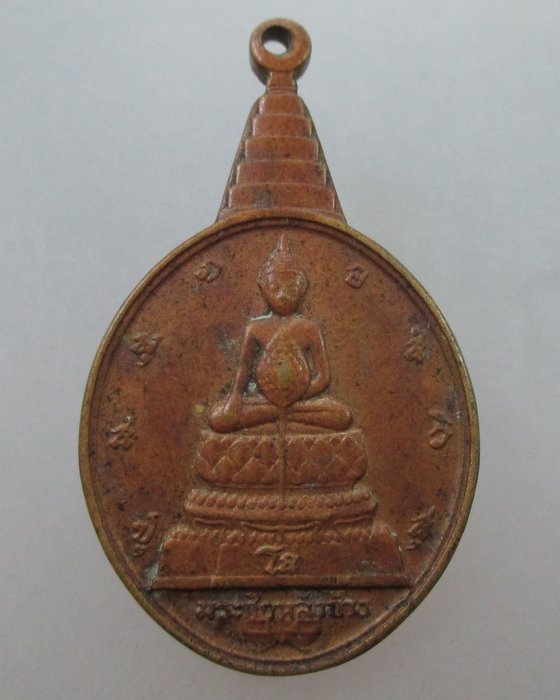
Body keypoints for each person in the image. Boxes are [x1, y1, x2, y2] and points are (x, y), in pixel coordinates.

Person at [209, 234, 352, 433]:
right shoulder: (255, 328)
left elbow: (323, 377)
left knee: (341, 414)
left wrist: (296, 396)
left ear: (302, 290)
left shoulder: (309, 328)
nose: (283, 295)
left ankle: (282, 415)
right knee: (218, 418)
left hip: (299, 402)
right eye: (275, 288)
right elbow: (244, 371)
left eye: (291, 288)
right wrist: (235, 397)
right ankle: (280, 415)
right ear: (263, 289)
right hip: (266, 400)